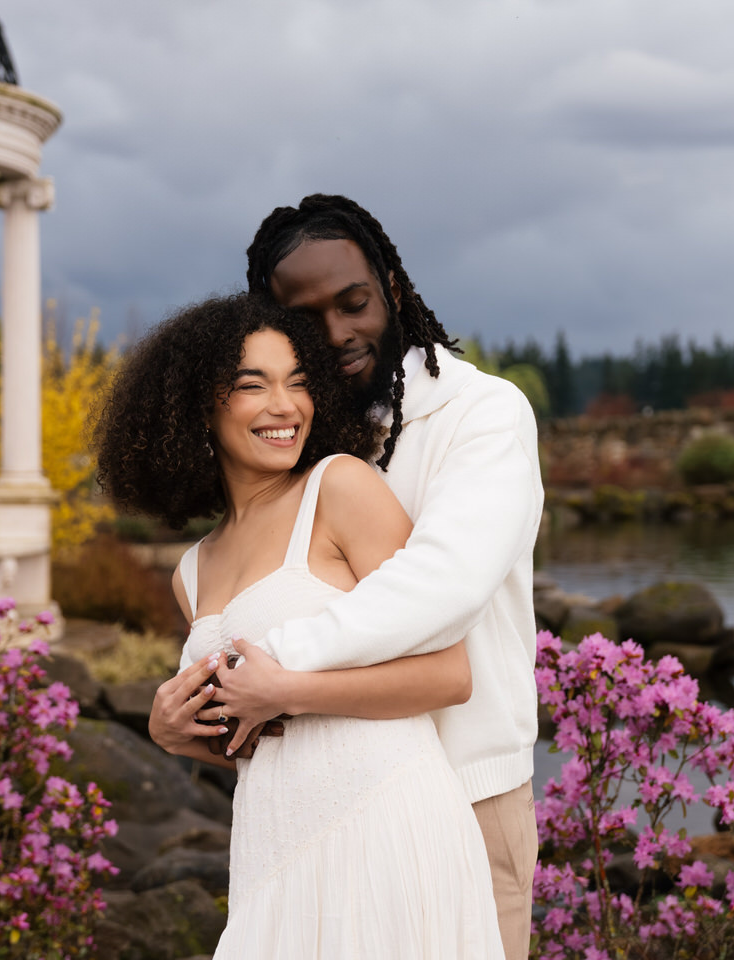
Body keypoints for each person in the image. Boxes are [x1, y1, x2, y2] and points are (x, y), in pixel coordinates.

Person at [148, 195, 544, 960]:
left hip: (466, 786)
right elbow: (262, 722)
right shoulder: (317, 443)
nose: (337, 333)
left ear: (392, 290)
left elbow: (442, 586)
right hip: (303, 818)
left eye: (354, 302)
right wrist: (178, 725)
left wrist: (269, 666)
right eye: (306, 319)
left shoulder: (482, 415)